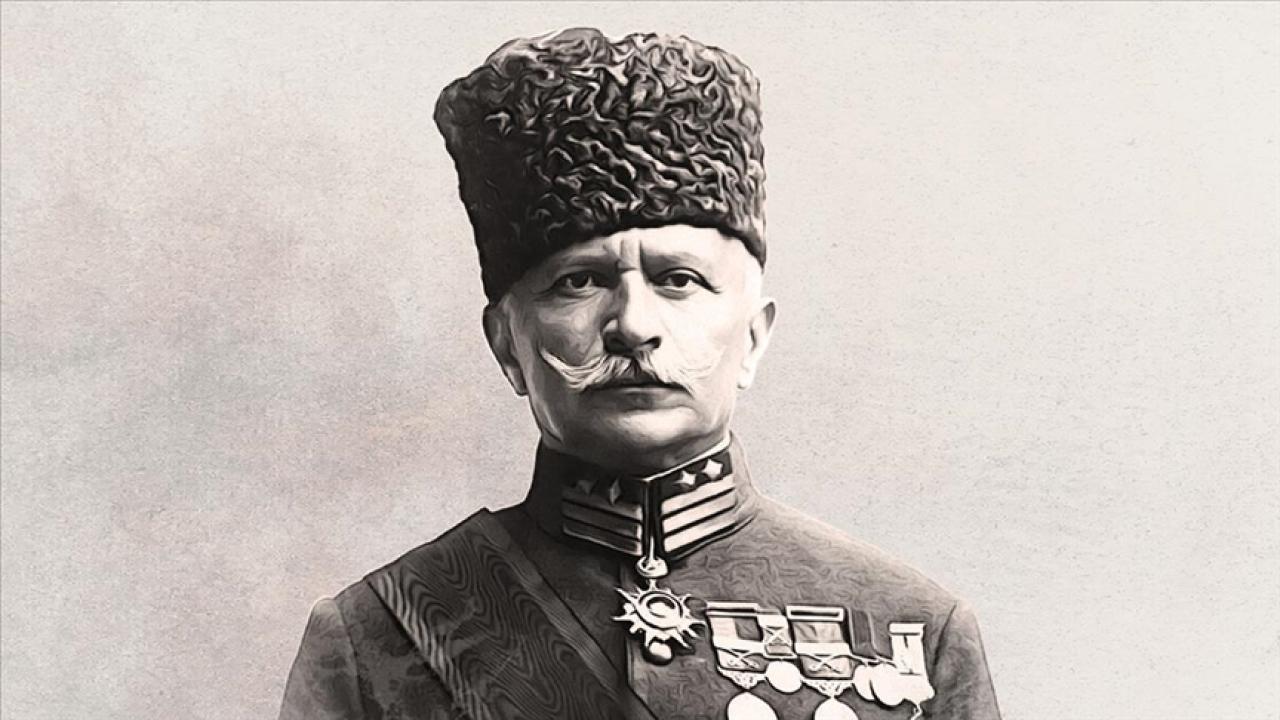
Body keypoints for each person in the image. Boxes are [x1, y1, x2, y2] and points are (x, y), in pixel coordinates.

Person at [279, 27, 1000, 720]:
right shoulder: (375, 633)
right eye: (580, 281)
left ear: (753, 338)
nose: (633, 324)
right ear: (507, 345)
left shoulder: (913, 627)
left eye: (679, 279)